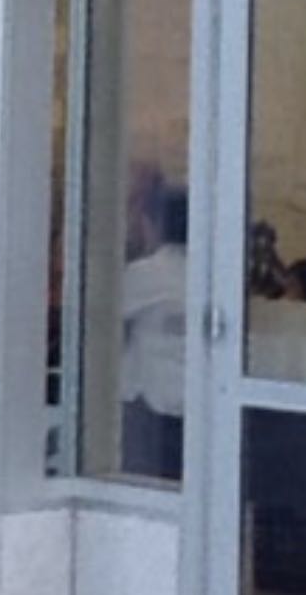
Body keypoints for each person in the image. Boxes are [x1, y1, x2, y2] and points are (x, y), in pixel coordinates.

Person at [119, 186, 188, 480]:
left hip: (150, 410)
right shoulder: (214, 275)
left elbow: (97, 319)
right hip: (199, 409)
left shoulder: (147, 274)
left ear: (152, 223)